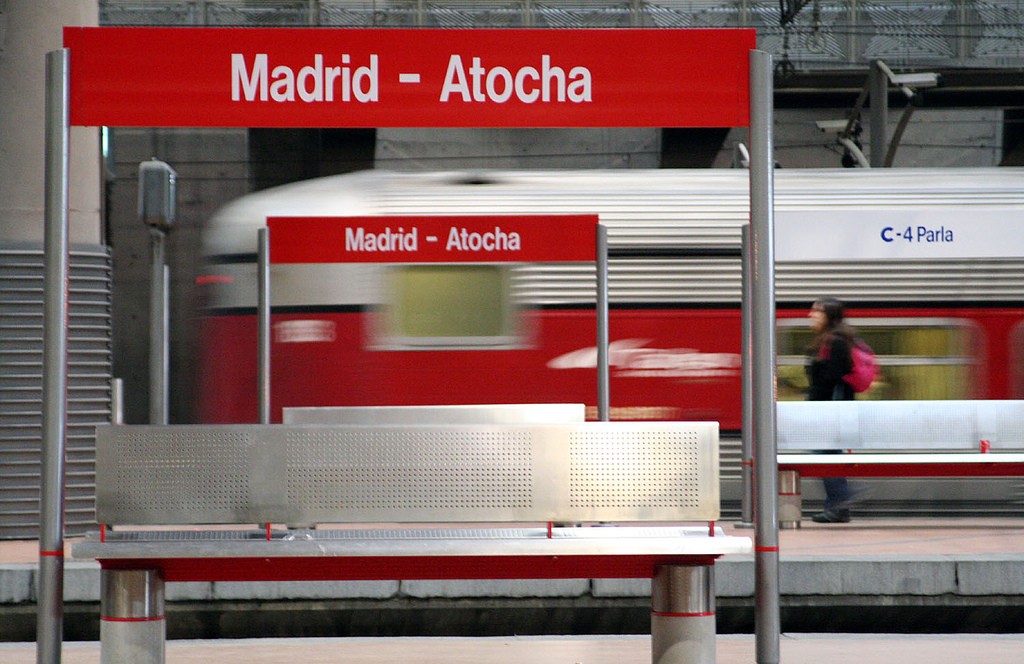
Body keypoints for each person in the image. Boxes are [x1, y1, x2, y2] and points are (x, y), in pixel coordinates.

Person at [805, 297, 867, 523]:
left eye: (816, 312)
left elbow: (832, 377)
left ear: (829, 316)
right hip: (828, 410)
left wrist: (812, 398)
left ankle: (845, 498)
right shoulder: (829, 341)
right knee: (824, 456)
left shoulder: (837, 342)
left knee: (823, 457)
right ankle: (838, 506)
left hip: (831, 412)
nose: (810, 315)